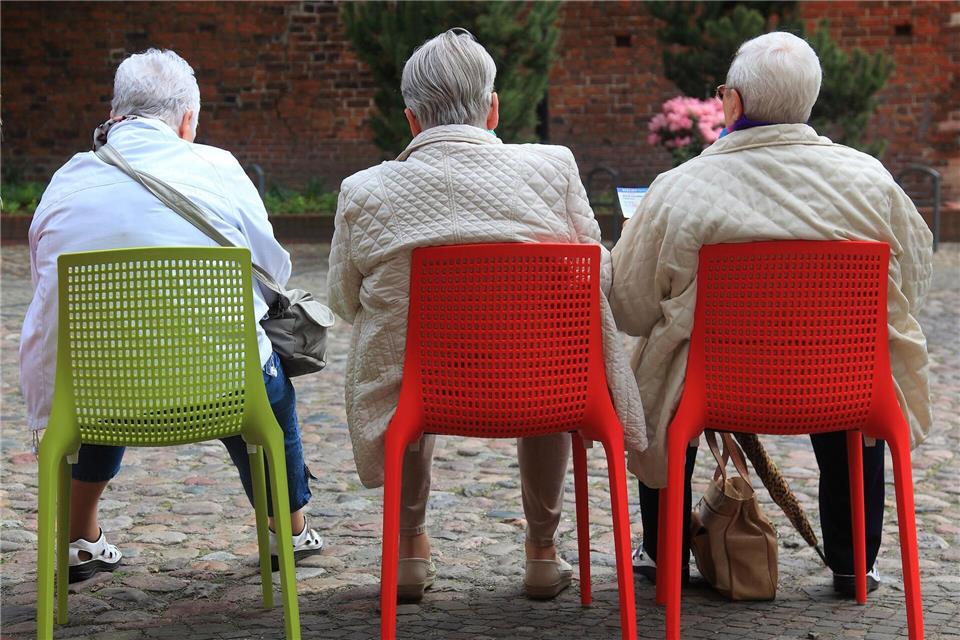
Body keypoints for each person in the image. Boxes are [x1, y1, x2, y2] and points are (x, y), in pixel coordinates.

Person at [327, 28, 647, 602]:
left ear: (411, 120)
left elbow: (343, 301)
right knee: (554, 352)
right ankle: (543, 553)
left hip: (426, 389)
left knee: (404, 355)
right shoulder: (553, 168)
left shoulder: (364, 191)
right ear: (493, 109)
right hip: (540, 384)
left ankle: (407, 550)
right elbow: (592, 270)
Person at [610, 31, 933, 597]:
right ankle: (856, 563)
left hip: (710, 387)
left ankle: (663, 553)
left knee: (653, 357)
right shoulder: (872, 182)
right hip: (840, 382)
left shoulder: (678, 189)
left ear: (730, 102)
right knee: (854, 361)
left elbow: (631, 308)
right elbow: (912, 285)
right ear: (809, 103)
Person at [19, 49, 323, 583]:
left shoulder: (68, 180)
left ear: (114, 115)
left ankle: (78, 537)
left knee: (107, 358)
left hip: (95, 392)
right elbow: (273, 265)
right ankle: (288, 529)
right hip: (224, 387)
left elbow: (43, 276)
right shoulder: (219, 167)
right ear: (187, 120)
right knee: (262, 380)